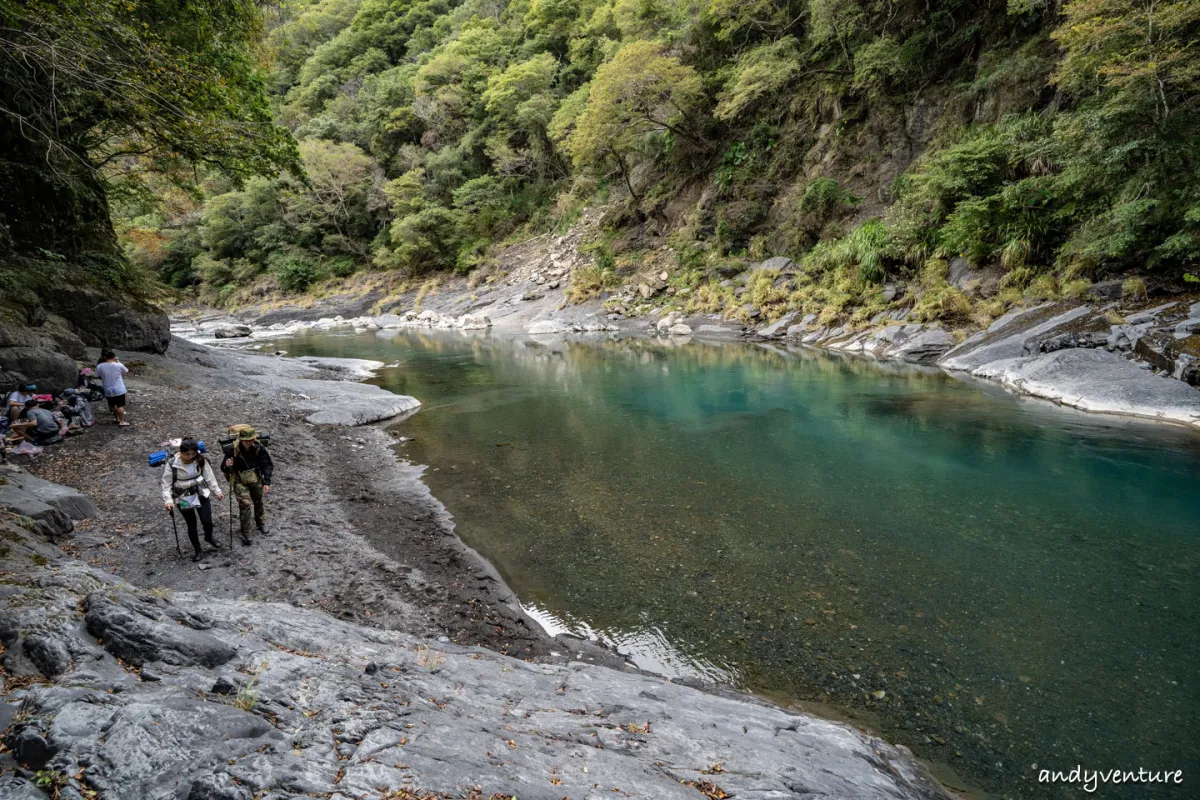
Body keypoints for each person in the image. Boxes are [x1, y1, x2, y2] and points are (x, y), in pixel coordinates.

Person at [161, 438, 225, 562]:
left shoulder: (200, 459)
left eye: (192, 454)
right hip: (184, 495)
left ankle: (209, 537)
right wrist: (168, 500)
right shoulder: (172, 463)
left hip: (200, 491)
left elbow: (209, 476)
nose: (190, 457)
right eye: (187, 454)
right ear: (180, 452)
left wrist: (217, 491)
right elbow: (166, 483)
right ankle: (197, 549)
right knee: (192, 524)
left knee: (207, 520)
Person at [221, 426, 273, 546]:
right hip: (239, 480)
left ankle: (260, 524)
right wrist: (227, 465)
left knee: (258, 500)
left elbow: (267, 464)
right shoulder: (232, 450)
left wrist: (267, 482)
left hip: (255, 477)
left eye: (251, 439)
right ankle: (246, 533)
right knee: (245, 505)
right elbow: (223, 468)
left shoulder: (259, 447)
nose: (249, 442)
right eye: (246, 440)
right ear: (242, 439)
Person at [95, 349, 129, 426]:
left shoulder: (100, 366)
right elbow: (126, 370)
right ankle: (122, 421)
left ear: (104, 357)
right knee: (120, 405)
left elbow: (97, 375)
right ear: (114, 356)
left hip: (107, 389)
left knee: (112, 405)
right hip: (118, 389)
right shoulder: (118, 365)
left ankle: (117, 419)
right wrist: (118, 361)